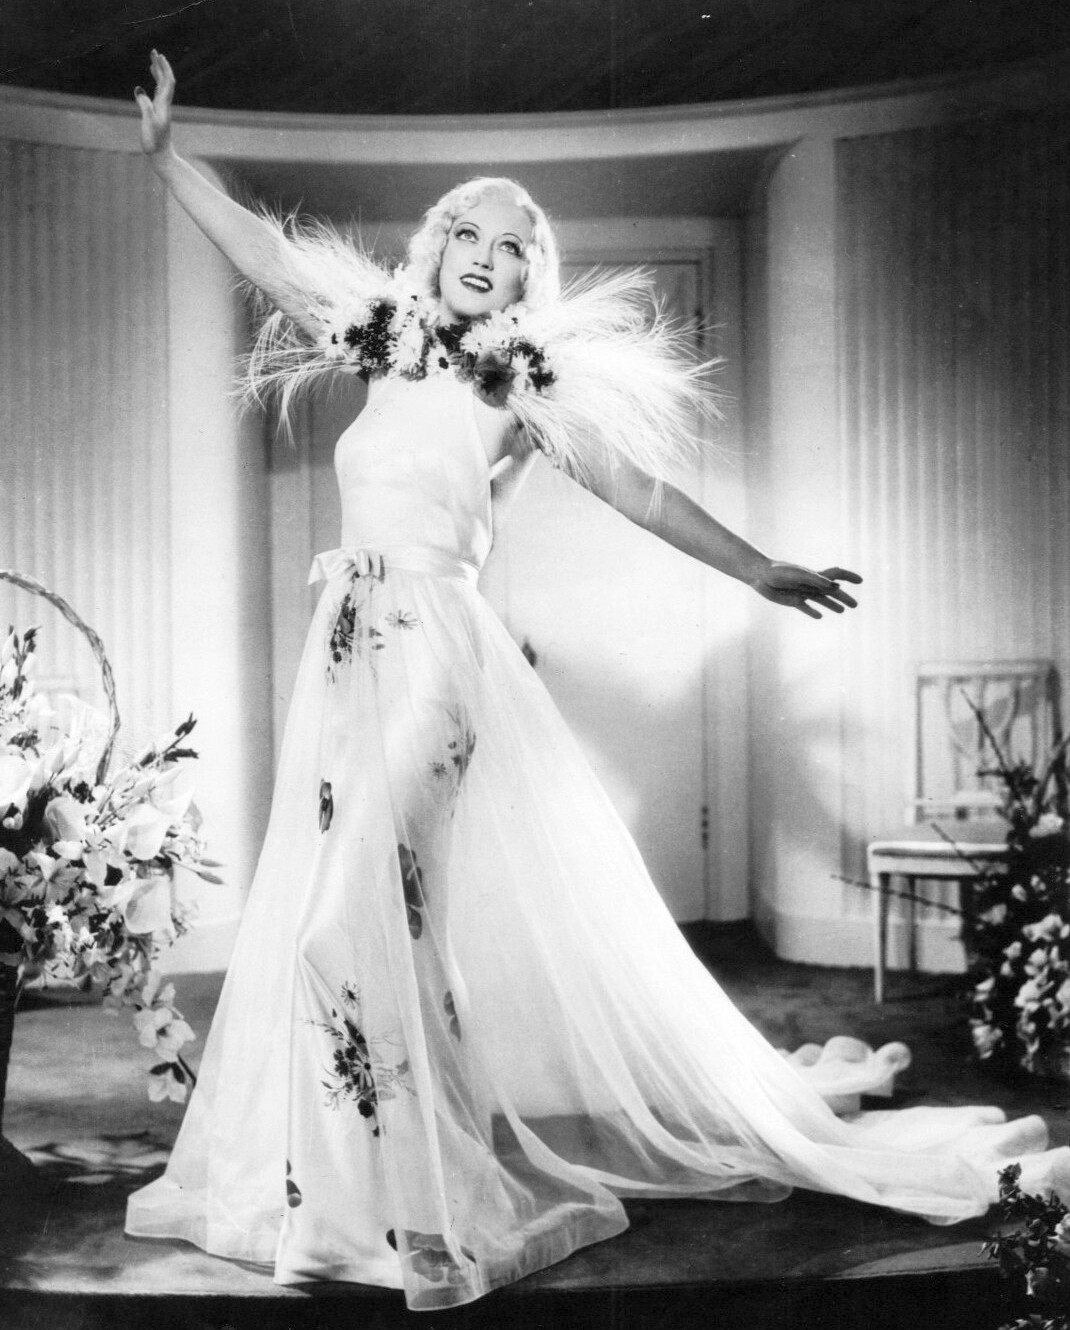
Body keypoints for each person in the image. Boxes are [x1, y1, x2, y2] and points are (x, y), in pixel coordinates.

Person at [125, 50, 1067, 1313]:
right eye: (470, 231)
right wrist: (168, 157)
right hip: (347, 659)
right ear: (434, 247)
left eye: (513, 246)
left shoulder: (520, 386)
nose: (487, 254)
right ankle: (392, 1188)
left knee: (340, 928)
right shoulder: (381, 343)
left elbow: (642, 492)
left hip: (435, 661)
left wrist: (759, 567)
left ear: (531, 278)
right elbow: (267, 253)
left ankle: (407, 1209)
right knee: (388, 931)